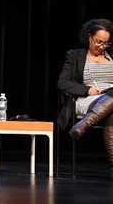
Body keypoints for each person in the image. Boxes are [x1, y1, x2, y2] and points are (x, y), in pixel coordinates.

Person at [57, 18, 113, 179]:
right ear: (89, 37)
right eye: (98, 42)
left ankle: (83, 125)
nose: (101, 46)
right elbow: (62, 82)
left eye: (105, 43)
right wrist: (87, 90)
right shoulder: (75, 55)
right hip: (87, 99)